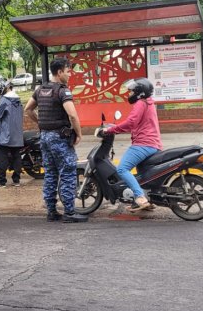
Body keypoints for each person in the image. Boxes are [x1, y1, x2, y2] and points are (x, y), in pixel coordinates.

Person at [24, 58, 87, 223]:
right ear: (59, 72)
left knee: (50, 174)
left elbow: (28, 109)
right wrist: (79, 134)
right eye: (68, 71)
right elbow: (72, 115)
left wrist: (40, 123)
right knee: (67, 172)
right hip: (60, 138)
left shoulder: (40, 89)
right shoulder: (62, 91)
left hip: (44, 137)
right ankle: (69, 212)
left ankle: (51, 211)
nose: (70, 74)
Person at [100, 77, 163, 211]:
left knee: (122, 169)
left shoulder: (141, 103)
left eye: (131, 91)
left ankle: (140, 196)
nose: (129, 94)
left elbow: (131, 123)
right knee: (142, 175)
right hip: (154, 144)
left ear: (139, 92)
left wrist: (110, 130)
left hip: (143, 144)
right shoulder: (149, 102)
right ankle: (143, 200)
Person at [0, 80, 24, 188]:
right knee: (16, 157)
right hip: (17, 135)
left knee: (2, 158)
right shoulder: (18, 100)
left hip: (5, 135)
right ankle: (16, 180)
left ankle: (1, 181)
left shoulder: (4, 100)